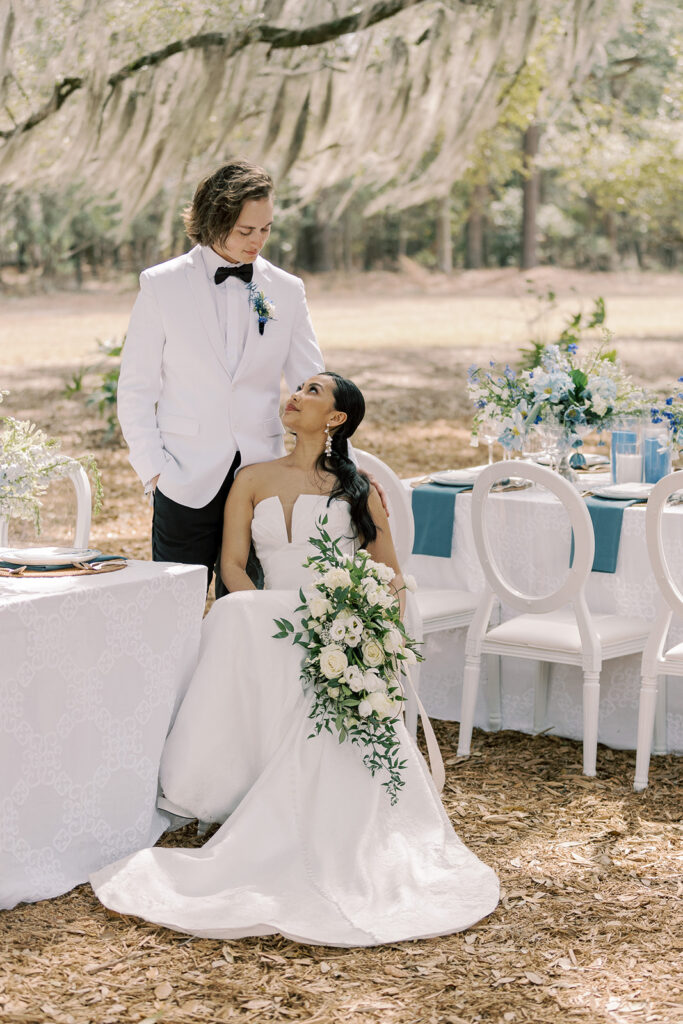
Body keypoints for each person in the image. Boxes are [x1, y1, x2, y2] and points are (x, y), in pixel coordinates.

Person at [91, 373, 499, 946]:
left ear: (336, 419)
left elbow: (390, 573)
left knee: (265, 629)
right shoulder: (251, 478)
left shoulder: (358, 489)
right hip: (269, 610)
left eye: (312, 392)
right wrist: (264, 611)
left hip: (338, 617)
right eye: (297, 388)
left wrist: (377, 630)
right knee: (233, 614)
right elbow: (232, 564)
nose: (295, 396)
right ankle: (222, 784)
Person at [117, 159, 325, 595]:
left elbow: (317, 385)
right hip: (182, 479)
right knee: (176, 613)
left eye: (265, 229)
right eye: (246, 231)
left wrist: (339, 461)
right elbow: (136, 388)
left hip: (260, 479)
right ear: (214, 219)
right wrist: (154, 471)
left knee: (250, 615)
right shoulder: (162, 284)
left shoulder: (286, 290)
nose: (258, 242)